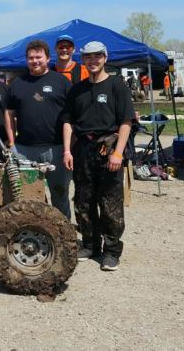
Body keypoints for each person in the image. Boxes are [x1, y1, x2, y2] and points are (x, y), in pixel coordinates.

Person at [62, 41, 134, 272]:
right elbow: (68, 122)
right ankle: (90, 244)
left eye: (97, 57)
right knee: (83, 201)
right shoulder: (77, 89)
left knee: (110, 202)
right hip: (83, 149)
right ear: (83, 60)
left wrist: (118, 153)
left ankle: (111, 251)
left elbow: (126, 122)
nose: (92, 61)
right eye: (88, 57)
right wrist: (67, 150)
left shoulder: (116, 85)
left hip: (108, 149)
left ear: (105, 58)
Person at [5, 39, 72, 219]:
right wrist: (12, 143)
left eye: (39, 57)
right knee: (28, 197)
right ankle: (35, 233)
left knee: (60, 194)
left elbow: (71, 117)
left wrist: (67, 149)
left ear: (48, 58)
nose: (35, 61)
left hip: (56, 149)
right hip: (25, 150)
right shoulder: (17, 84)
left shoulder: (61, 82)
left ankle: (64, 234)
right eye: (31, 58)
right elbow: (9, 115)